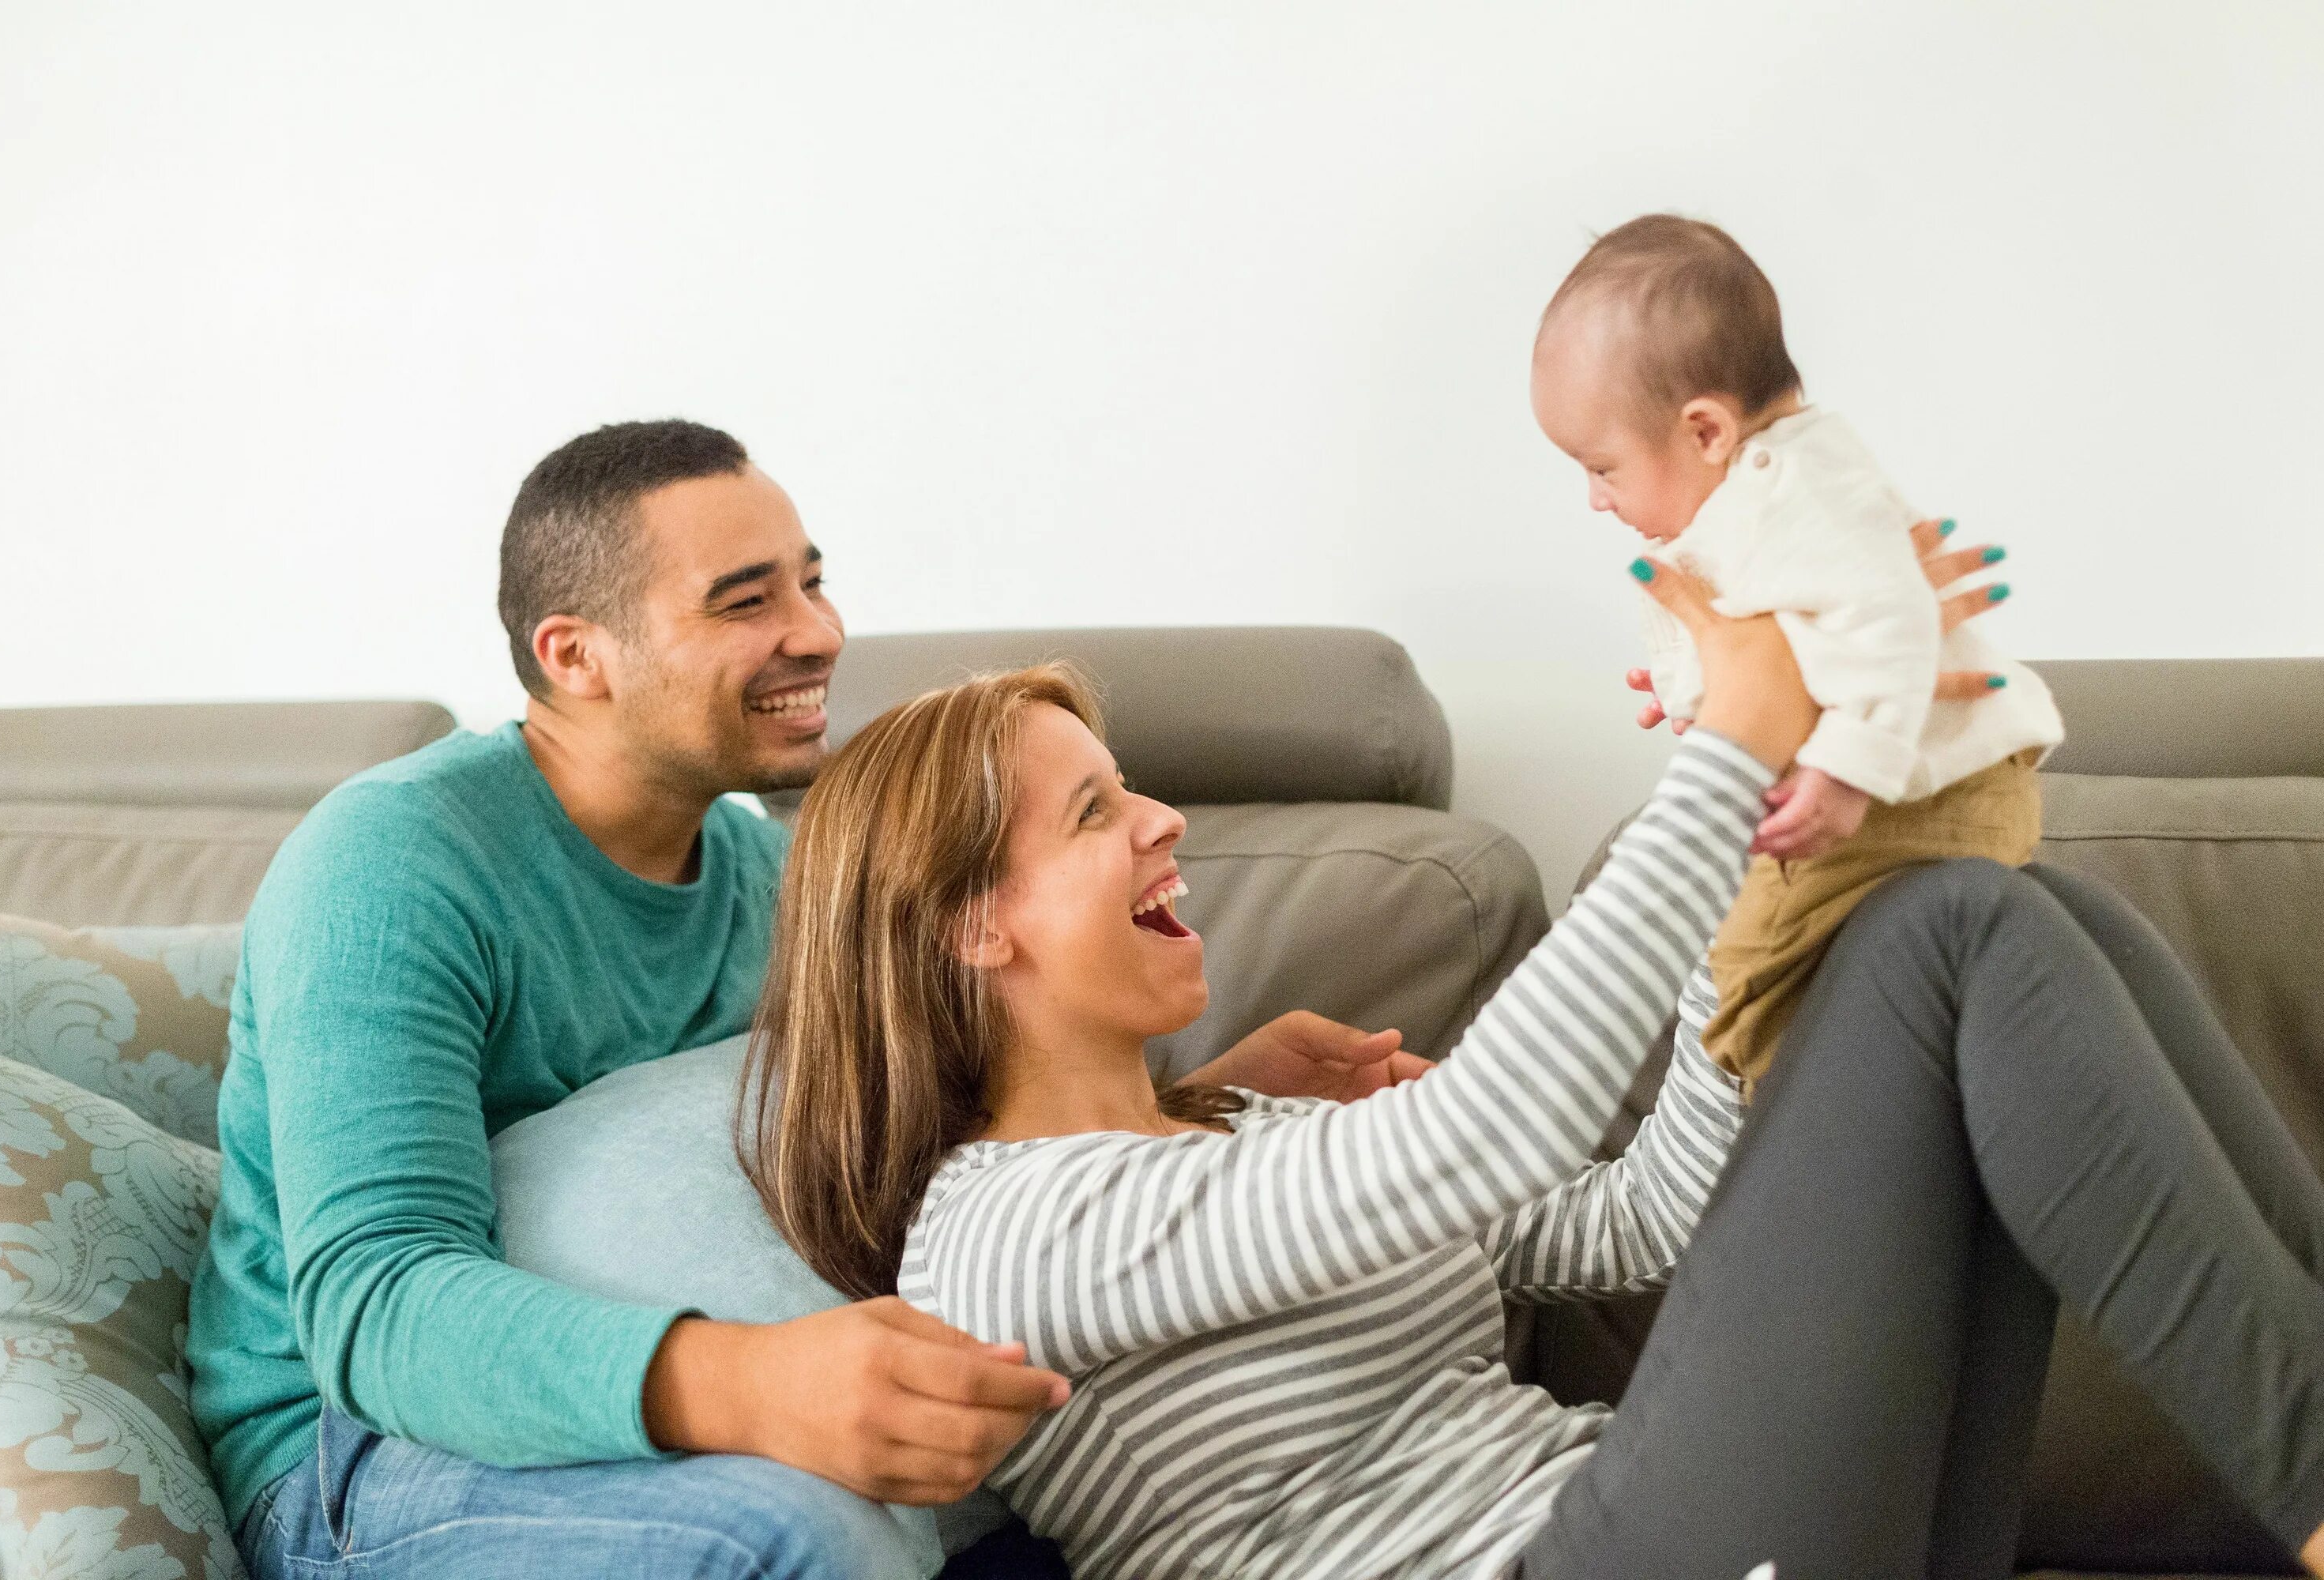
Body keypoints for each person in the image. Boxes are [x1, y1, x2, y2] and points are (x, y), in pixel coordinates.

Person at [746, 558, 2324, 1580]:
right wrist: (1718, 764)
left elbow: (1637, 1223)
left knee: (2017, 914)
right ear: (969, 930)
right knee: (1952, 930)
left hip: (1667, 1524)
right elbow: (1490, 1137)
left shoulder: (1257, 1122)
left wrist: (1759, 874)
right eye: (1095, 814)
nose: (1163, 820)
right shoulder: (1002, 1234)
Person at [187, 419, 1432, 1579]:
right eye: (748, 602)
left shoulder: (775, 874)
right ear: (577, 657)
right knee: (796, 1536)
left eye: (810, 581)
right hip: (359, 1461)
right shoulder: (395, 864)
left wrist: (1207, 1107)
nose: (821, 631)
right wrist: (752, 1387)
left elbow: (958, 1133)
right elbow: (375, 1303)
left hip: (701, 1409)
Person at [1532, 213, 2063, 1091]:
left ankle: (1813, 1126)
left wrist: (1848, 770)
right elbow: (1800, 639)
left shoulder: (1793, 491)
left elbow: (1889, 618)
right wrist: (1700, 690)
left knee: (1754, 975)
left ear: (1706, 430)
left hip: (1914, 798)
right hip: (1921, 791)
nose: (1594, 498)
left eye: (1603, 467)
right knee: (1772, 967)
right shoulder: (1760, 483)